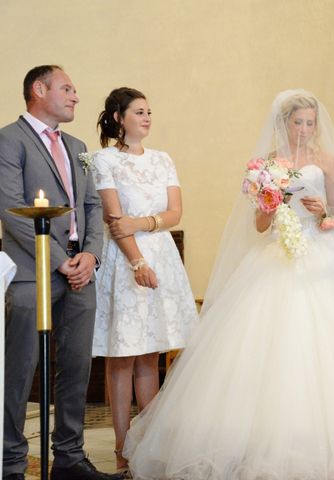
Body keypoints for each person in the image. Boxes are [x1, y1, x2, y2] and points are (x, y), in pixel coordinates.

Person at [122, 90, 334, 479]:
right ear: (284, 123)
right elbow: (258, 225)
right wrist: (270, 205)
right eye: (297, 122)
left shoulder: (326, 161)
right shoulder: (268, 165)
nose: (304, 130)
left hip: (323, 256)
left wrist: (325, 214)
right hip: (274, 256)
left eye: (310, 123)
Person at [0, 66, 122, 480]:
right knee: (20, 370)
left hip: (79, 272)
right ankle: (11, 463)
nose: (75, 96)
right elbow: (11, 208)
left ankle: (69, 457)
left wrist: (90, 256)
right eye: (67, 88)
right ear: (39, 89)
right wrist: (57, 260)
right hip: (33, 272)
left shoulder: (78, 145)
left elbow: (91, 207)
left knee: (77, 368)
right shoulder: (8, 140)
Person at [92, 87, 198, 475]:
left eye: (149, 111)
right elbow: (114, 220)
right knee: (122, 355)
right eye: (139, 112)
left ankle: (147, 444)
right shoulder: (103, 160)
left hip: (162, 256)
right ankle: (121, 447)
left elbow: (174, 213)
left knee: (151, 354)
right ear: (119, 118)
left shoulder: (163, 159)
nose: (147, 118)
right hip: (126, 261)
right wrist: (137, 262)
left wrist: (145, 223)